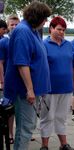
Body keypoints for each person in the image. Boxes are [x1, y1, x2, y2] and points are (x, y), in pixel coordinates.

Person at [3, 2, 52, 150]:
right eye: (44, 18)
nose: (46, 22)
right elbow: (21, 63)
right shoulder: (23, 31)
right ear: (36, 17)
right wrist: (30, 90)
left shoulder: (32, 30)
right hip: (24, 92)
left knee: (28, 126)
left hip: (32, 91)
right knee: (25, 129)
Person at [40, 16, 74, 150]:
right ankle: (45, 145)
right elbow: (39, 67)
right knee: (47, 117)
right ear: (51, 29)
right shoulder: (43, 45)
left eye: (63, 30)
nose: (62, 32)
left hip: (66, 88)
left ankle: (63, 144)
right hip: (49, 88)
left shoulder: (69, 45)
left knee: (61, 117)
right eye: (59, 29)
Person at [0, 14, 20, 144]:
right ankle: (10, 134)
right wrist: (2, 81)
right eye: (11, 24)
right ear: (7, 27)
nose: (14, 27)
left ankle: (21, 133)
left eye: (16, 24)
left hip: (22, 82)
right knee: (10, 111)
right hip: (9, 82)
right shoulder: (3, 42)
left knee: (22, 110)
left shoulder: (21, 39)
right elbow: (0, 63)